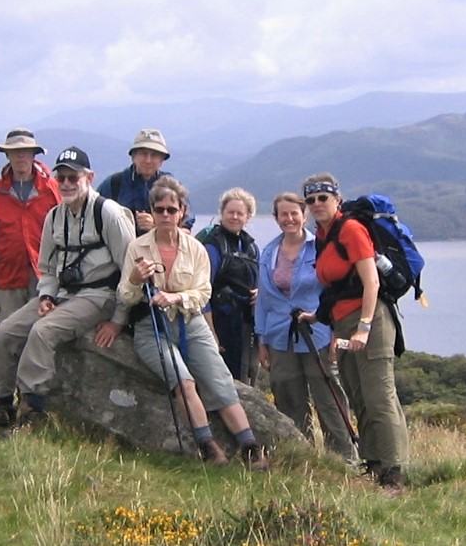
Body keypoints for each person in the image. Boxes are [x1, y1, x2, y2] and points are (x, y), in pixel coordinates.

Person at [0, 146, 135, 431]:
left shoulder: (108, 214)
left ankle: (32, 409)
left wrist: (117, 321)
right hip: (61, 293)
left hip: (99, 295)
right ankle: (1, 404)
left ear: (89, 177)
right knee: (4, 333)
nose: (66, 184)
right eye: (61, 178)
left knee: (43, 331)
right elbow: (47, 268)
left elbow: (130, 271)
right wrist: (46, 294)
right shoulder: (55, 217)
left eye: (74, 177)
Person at [117, 176, 269, 471]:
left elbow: (202, 292)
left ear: (182, 211)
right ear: (152, 210)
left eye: (171, 210)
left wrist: (174, 299)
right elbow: (125, 294)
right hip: (152, 327)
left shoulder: (195, 248)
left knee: (220, 381)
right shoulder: (137, 248)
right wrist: (136, 280)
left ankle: (251, 447)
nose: (164, 215)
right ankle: (208, 447)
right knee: (183, 382)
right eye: (158, 209)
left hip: (190, 322)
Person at [300, 172, 409, 491]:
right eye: (311, 200)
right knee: (359, 396)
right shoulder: (322, 235)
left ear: (337, 199)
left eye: (323, 197)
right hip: (343, 324)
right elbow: (337, 287)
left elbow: (371, 282)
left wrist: (363, 328)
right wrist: (320, 319)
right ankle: (374, 464)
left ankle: (394, 474)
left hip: (371, 321)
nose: (317, 204)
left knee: (379, 398)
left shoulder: (350, 229)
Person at [255, 192, 358, 463]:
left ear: (304, 215)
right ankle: (300, 455)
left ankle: (343, 458)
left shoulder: (320, 247)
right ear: (276, 218)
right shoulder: (268, 251)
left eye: (294, 213)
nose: (289, 219)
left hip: (318, 333)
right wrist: (261, 338)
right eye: (283, 214)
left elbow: (332, 290)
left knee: (328, 397)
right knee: (288, 397)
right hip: (279, 335)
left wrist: (336, 331)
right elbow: (264, 300)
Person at [0, 128, 61, 329]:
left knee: (42, 334)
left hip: (46, 277)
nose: (21, 155)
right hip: (8, 279)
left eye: (26, 151)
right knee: (5, 336)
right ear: (6, 155)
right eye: (15, 151)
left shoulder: (52, 190)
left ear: (34, 154)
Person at [200, 188, 259, 382]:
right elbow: (202, 291)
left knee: (246, 378)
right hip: (220, 323)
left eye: (240, 213)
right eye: (230, 212)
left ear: (248, 216)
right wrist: (211, 334)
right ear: (222, 213)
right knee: (223, 380)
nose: (234, 217)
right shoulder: (213, 246)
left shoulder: (250, 247)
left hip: (245, 323)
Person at [98, 128, 195, 235]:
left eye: (154, 155)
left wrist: (157, 227)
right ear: (133, 157)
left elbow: (186, 231)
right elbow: (95, 217)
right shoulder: (114, 184)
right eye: (143, 154)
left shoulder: (171, 186)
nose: (148, 160)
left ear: (162, 160)